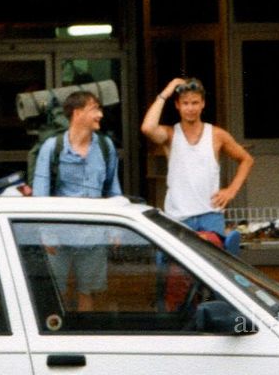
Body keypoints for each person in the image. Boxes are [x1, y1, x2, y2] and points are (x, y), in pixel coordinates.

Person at [30, 90, 122, 312]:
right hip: (58, 237)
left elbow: (113, 188)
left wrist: (115, 228)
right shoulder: (52, 147)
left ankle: (85, 336)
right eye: (95, 109)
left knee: (87, 292)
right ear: (77, 113)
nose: (100, 114)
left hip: (94, 236)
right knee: (57, 291)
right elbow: (40, 193)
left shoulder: (105, 146)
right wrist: (45, 232)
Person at [140, 76, 254, 246]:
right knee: (178, 270)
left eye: (195, 103)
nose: (190, 108)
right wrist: (166, 92)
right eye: (185, 103)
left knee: (213, 267)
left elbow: (246, 159)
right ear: (178, 105)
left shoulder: (217, 134)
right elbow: (147, 127)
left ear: (203, 104)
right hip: (179, 216)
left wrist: (231, 190)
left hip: (210, 215)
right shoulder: (170, 134)